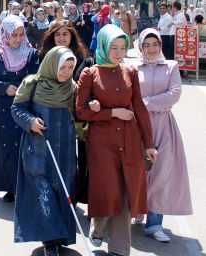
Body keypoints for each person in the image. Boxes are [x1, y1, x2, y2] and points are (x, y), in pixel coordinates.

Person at [76, 24, 157, 256]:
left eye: (123, 47)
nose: (118, 52)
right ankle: (98, 225)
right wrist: (111, 113)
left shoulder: (130, 71)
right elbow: (80, 111)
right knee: (108, 189)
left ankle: (120, 249)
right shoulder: (89, 73)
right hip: (102, 142)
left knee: (125, 192)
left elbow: (140, 107)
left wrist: (149, 143)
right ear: (103, 45)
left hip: (130, 139)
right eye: (114, 47)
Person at [11, 46, 77, 256]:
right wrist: (30, 121)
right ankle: (49, 242)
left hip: (65, 152)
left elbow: (80, 115)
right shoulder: (33, 83)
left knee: (62, 193)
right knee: (44, 195)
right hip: (38, 151)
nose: (66, 71)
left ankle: (59, 239)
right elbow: (16, 109)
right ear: (51, 65)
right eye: (62, 67)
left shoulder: (73, 88)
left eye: (70, 67)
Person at [134, 29, 193, 242]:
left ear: (160, 45)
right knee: (140, 170)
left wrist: (144, 104)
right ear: (140, 47)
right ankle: (139, 209)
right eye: (146, 45)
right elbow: (130, 95)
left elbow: (174, 94)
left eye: (155, 44)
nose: (151, 49)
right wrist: (142, 107)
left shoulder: (171, 66)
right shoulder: (133, 68)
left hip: (164, 127)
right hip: (138, 126)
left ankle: (155, 223)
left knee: (161, 173)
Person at [0, 15, 40, 203]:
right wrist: (4, 87)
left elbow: (34, 77)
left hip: (20, 105)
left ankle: (19, 187)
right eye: (14, 35)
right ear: (5, 33)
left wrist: (20, 89)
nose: (18, 39)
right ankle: (6, 186)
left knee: (19, 147)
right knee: (0, 146)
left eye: (21, 34)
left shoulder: (30, 53)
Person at [39, 21, 94, 204]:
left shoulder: (85, 60)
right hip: (54, 116)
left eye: (65, 34)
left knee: (83, 158)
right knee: (59, 158)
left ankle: (79, 193)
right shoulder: (45, 59)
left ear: (72, 36)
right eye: (57, 35)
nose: (61, 38)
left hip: (78, 118)